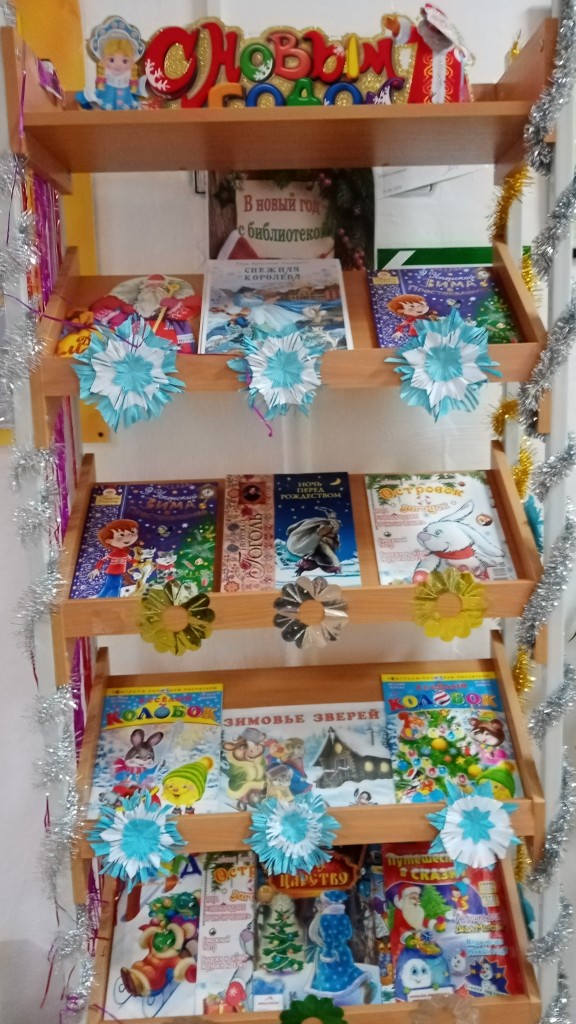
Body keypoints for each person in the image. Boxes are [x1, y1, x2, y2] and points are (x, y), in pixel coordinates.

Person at [76, 16, 146, 111]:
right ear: (103, 61)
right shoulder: (104, 84)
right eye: (111, 60)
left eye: (124, 61)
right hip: (106, 108)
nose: (118, 65)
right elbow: (93, 96)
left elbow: (138, 96)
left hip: (128, 111)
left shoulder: (130, 84)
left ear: (132, 62)